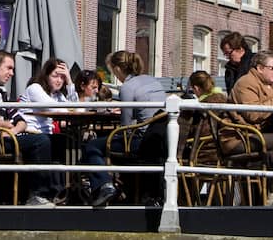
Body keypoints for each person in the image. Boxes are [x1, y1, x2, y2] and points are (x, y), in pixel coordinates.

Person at [0, 49, 55, 207]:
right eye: (9, 68)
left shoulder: (2, 93)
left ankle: (48, 192)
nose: (12, 73)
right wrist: (8, 124)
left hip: (6, 138)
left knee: (53, 141)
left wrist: (12, 131)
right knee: (41, 141)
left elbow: (21, 121)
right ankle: (37, 195)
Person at [80, 50, 166, 207]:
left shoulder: (127, 87)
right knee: (112, 144)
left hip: (142, 142)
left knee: (92, 146)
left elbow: (126, 128)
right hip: (160, 140)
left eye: (112, 70)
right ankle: (128, 190)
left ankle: (104, 186)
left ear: (117, 68)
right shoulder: (153, 81)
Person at [229, 51, 273, 206]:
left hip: (257, 132)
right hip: (240, 137)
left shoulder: (270, 86)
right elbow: (252, 114)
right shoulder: (246, 83)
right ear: (260, 68)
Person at [19, 58, 78, 133]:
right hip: (29, 132)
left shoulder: (58, 95)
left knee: (72, 140)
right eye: (55, 76)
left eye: (63, 77)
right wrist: (70, 110)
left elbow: (75, 108)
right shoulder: (35, 88)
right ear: (46, 76)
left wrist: (69, 81)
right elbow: (54, 108)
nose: (59, 80)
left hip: (45, 133)